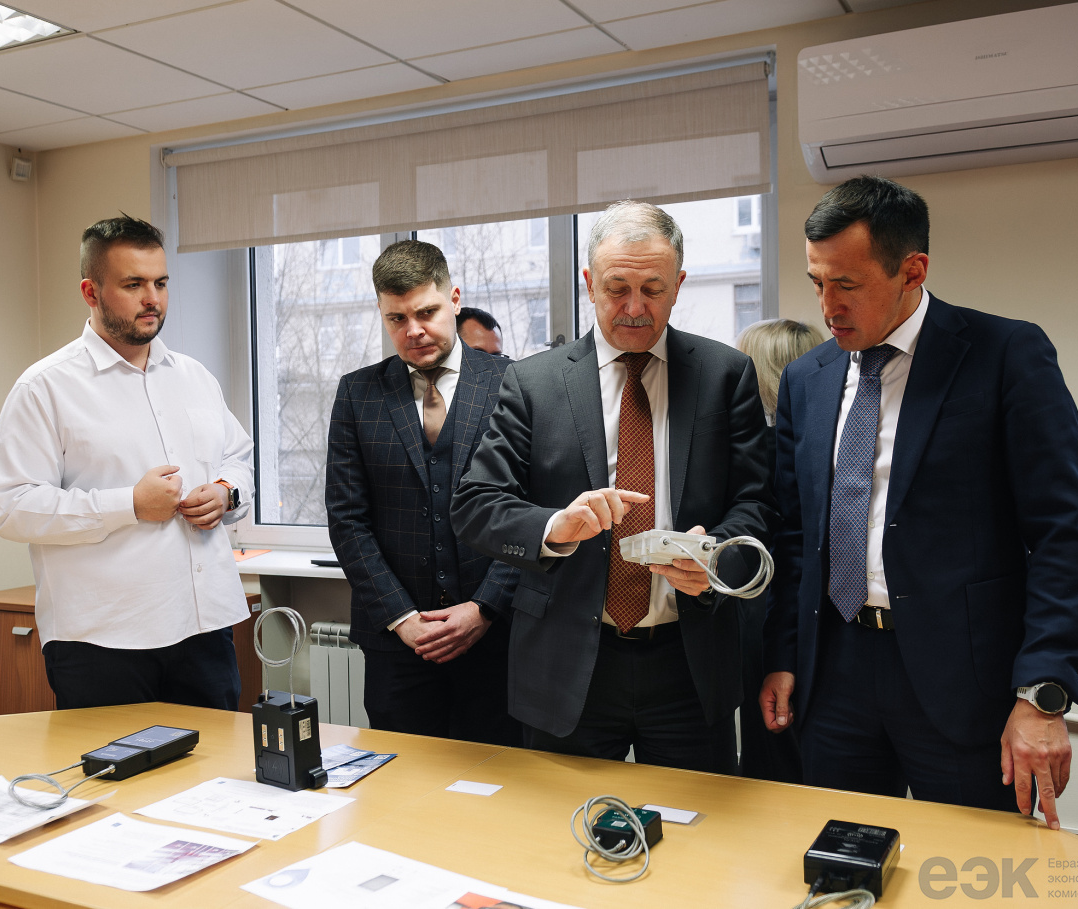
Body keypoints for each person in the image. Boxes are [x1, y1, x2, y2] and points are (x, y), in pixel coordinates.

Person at [760, 175, 1078, 829]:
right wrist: (782, 654)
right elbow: (796, 535)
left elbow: (1061, 535)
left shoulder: (1004, 355)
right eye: (817, 282)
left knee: (975, 869)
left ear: (912, 270)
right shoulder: (807, 378)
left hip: (964, 684)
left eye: (846, 284)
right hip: (835, 675)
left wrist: (1042, 693)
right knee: (844, 863)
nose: (827, 306)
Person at [451, 201, 775, 771]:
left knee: (697, 822)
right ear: (589, 284)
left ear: (678, 285)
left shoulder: (724, 375)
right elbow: (476, 505)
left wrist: (716, 558)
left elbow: (757, 501)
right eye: (617, 288)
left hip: (689, 661)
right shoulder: (533, 382)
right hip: (567, 660)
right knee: (563, 821)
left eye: (653, 289)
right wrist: (554, 526)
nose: (634, 307)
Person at [0, 215, 254, 711]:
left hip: (204, 627)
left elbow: (238, 457)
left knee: (215, 761)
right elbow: (12, 508)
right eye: (134, 285)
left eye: (160, 283)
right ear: (90, 292)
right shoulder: (45, 387)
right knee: (116, 766)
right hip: (104, 639)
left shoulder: (195, 376)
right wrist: (129, 504)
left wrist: (225, 491)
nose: (153, 298)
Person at [326, 240, 519, 745]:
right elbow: (347, 520)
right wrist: (402, 619)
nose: (412, 330)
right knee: (402, 780)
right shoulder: (357, 394)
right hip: (397, 648)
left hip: (498, 638)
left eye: (426, 312)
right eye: (397, 318)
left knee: (499, 779)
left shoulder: (514, 383)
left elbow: (533, 513)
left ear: (454, 299)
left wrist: (484, 608)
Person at [732, 318, 822, 782]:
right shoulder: (826, 445)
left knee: (770, 751)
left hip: (765, 613)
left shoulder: (754, 453)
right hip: (824, 614)